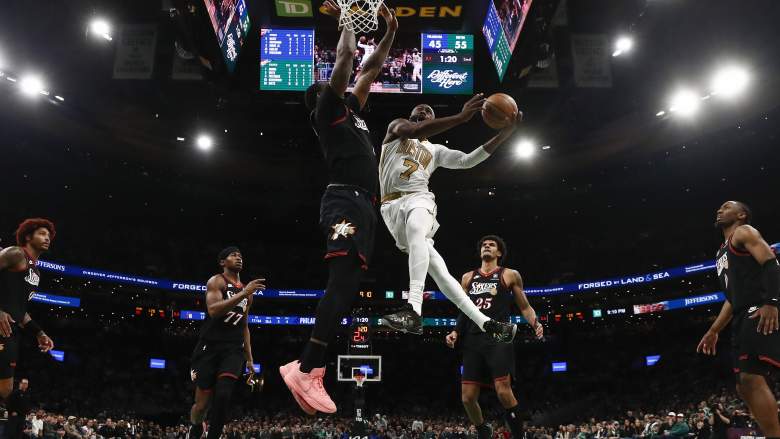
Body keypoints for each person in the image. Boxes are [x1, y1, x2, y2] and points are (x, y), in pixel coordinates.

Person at [280, 0, 398, 415]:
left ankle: (306, 367)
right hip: (344, 199)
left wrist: (391, 32)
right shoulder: (328, 111)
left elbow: (371, 68)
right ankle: (308, 368)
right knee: (342, 281)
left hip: (365, 205)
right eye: (334, 88)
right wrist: (348, 18)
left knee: (348, 287)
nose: (346, 88)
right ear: (323, 98)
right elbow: (348, 58)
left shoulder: (353, 114)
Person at [378, 98, 521, 341]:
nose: (424, 109)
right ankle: (488, 325)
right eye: (420, 108)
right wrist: (461, 117)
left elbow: (468, 160)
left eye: (429, 110)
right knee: (441, 275)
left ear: (434, 120)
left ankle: (413, 309)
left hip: (419, 198)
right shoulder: (398, 128)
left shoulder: (435, 151)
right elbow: (416, 130)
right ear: (411, 114)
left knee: (416, 228)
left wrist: (505, 135)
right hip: (390, 207)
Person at [445, 236, 543, 439]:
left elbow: (524, 306)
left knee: (503, 391)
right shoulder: (467, 277)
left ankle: (518, 435)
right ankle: (483, 429)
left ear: (499, 253)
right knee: (467, 398)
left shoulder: (509, 275)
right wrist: (456, 331)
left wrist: (535, 322)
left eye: (491, 245)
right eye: (483, 245)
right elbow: (463, 310)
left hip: (499, 335)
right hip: (473, 339)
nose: (486, 246)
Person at [697, 201, 780, 438]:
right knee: (743, 386)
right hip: (743, 313)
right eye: (719, 207)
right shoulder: (720, 252)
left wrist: (772, 303)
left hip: (761, 307)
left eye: (726, 207)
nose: (719, 210)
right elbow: (732, 298)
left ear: (741, 214)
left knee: (751, 377)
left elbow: (771, 263)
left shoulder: (744, 232)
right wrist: (714, 330)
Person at [187, 247, 265, 439]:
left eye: (240, 255)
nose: (238, 258)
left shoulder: (248, 293)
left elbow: (245, 325)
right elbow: (214, 310)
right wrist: (244, 293)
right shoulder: (216, 281)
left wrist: (249, 358)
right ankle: (196, 427)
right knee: (201, 407)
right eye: (233, 255)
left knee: (223, 396)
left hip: (233, 349)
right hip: (209, 347)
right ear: (223, 262)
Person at [0, 219, 55, 406]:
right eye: (41, 233)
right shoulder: (15, 253)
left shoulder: (36, 273)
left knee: (5, 390)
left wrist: (39, 332)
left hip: (10, 330)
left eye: (48, 235)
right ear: (28, 236)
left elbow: (19, 310)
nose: (47, 238)